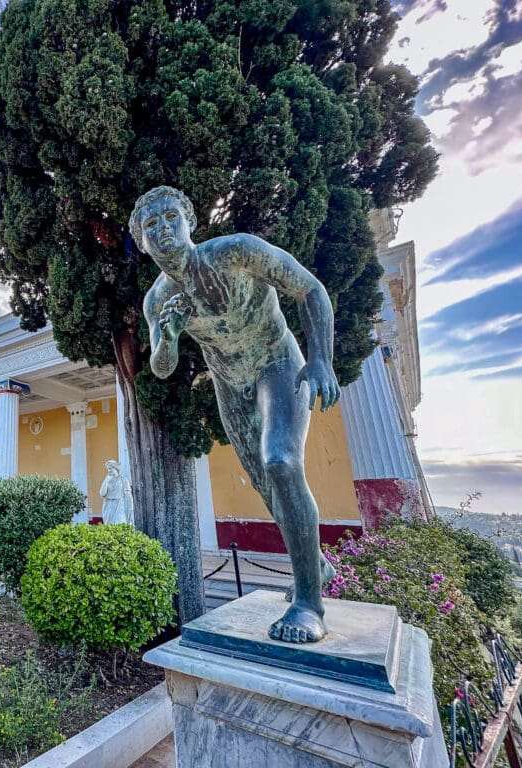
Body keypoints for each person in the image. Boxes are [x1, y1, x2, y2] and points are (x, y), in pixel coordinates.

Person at [132, 185, 340, 644]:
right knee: (267, 483)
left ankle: (308, 603)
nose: (163, 229)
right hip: (229, 382)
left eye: (171, 217)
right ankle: (317, 565)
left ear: (190, 221)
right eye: (151, 226)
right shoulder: (157, 300)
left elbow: (310, 289)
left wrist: (321, 357)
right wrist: (168, 335)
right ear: (143, 244)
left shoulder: (236, 252)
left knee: (281, 461)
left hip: (277, 363)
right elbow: (162, 368)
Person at [99, 460, 134, 525]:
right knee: (110, 526)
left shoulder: (123, 480)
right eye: (108, 469)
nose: (109, 470)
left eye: (110, 468)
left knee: (121, 523)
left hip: (120, 505)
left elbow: (128, 496)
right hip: (108, 505)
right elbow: (102, 493)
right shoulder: (107, 480)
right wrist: (106, 481)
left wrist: (129, 508)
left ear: (115, 468)